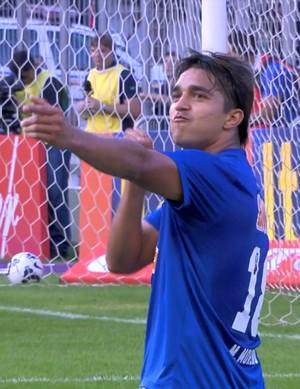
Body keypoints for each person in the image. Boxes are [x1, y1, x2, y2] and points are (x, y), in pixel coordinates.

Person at [21, 51, 269, 388]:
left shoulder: (214, 174)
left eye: (199, 96)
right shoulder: (223, 183)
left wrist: (70, 136)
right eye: (176, 94)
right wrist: (135, 184)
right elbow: (122, 260)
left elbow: (140, 162)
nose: (180, 105)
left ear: (233, 118)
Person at [8, 50, 72, 260]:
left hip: (55, 143)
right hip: (30, 146)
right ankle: (42, 242)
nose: (21, 80)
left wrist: (23, 106)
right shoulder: (13, 85)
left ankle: (61, 244)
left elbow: (55, 115)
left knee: (55, 192)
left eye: (24, 76)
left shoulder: (50, 83)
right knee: (36, 196)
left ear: (33, 68)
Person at [228, 29, 299, 128]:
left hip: (291, 130)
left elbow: (268, 114)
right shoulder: (249, 72)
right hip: (274, 131)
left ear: (238, 52)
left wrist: (236, 122)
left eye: (229, 54)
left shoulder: (272, 70)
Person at [76, 31, 141, 133]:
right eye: (93, 51)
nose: (97, 55)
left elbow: (135, 110)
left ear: (112, 51)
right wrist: (82, 108)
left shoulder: (124, 75)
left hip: (116, 137)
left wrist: (102, 107)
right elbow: (88, 111)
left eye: (102, 51)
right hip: (91, 136)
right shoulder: (89, 75)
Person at [139, 51, 178, 117]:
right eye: (166, 61)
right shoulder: (163, 87)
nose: (169, 65)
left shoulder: (181, 86)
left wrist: (155, 97)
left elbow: (176, 103)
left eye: (173, 61)